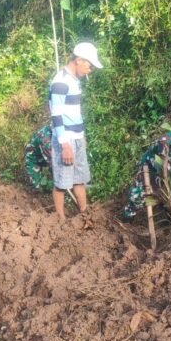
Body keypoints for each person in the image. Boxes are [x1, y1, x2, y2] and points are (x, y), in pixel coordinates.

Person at [49, 42, 103, 221]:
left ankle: (84, 214)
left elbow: (74, 113)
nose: (90, 69)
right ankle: (61, 220)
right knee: (62, 182)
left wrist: (82, 136)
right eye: (89, 65)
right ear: (78, 60)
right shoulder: (60, 82)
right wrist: (65, 146)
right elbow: (56, 116)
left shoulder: (74, 81)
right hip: (66, 140)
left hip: (77, 137)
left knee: (79, 179)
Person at [23, 124, 52, 191]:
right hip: (33, 159)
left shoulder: (62, 134)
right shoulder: (45, 137)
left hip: (44, 157)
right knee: (35, 187)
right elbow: (52, 162)